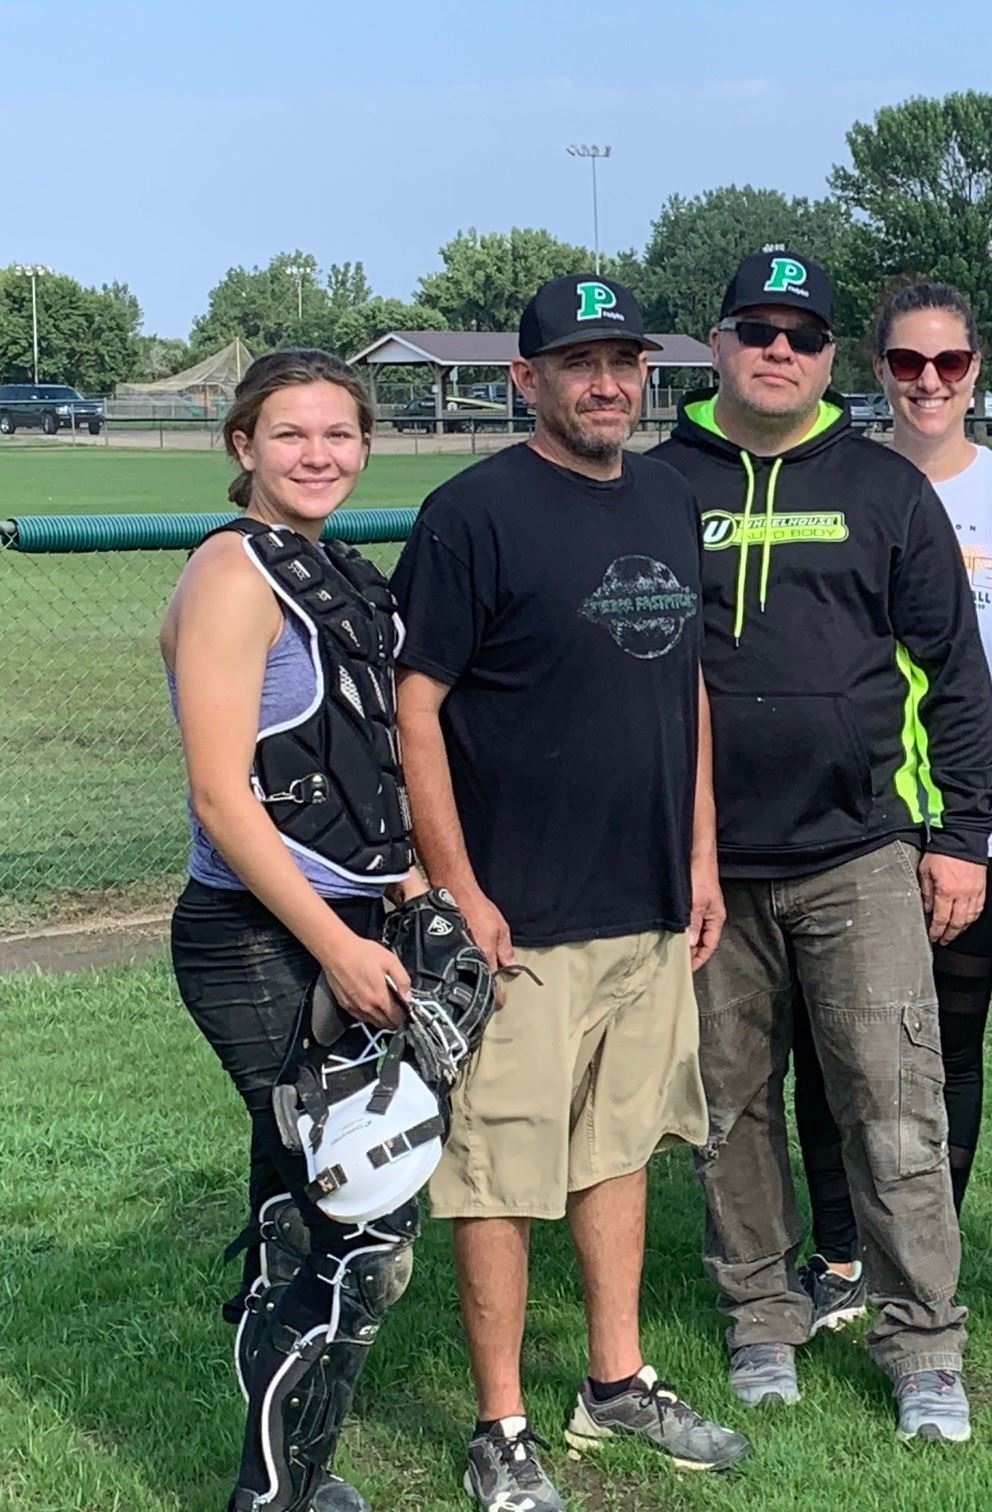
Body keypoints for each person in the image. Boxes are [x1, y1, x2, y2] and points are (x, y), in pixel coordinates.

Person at [393, 273, 746, 1512]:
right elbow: (416, 706)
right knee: (499, 1171)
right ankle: (499, 1423)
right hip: (522, 915)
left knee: (619, 1148)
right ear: (523, 380)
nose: (608, 383)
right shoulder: (469, 513)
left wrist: (698, 854)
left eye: (624, 361)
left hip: (647, 901)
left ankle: (616, 1378)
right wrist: (457, 887)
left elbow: (687, 685)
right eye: (579, 363)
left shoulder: (662, 490)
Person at [646, 248, 992, 1444]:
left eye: (802, 334)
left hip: (861, 854)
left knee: (895, 1106)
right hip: (705, 864)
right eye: (757, 330)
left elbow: (956, 676)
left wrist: (959, 837)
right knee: (730, 1106)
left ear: (831, 357)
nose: (779, 350)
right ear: (720, 343)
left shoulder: (886, 487)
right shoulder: (656, 485)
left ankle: (923, 1344)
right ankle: (761, 1318)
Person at [163, 349, 427, 1512]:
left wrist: (414, 893)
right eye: (290, 435)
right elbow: (224, 796)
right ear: (242, 448)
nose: (318, 455)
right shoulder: (234, 574)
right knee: (359, 1230)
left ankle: (288, 1483)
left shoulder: (328, 568)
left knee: (299, 1216)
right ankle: (274, 1495)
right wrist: (335, 941)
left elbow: (364, 767)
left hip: (339, 921)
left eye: (338, 434)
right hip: (257, 937)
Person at [788, 279, 992, 1335]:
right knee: (830, 1049)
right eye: (907, 363)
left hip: (980, 826)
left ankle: (928, 1251)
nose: (929, 383)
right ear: (878, 370)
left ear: (976, 370)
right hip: (849, 820)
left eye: (949, 363)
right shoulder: (840, 481)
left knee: (945, 1047)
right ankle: (842, 1255)